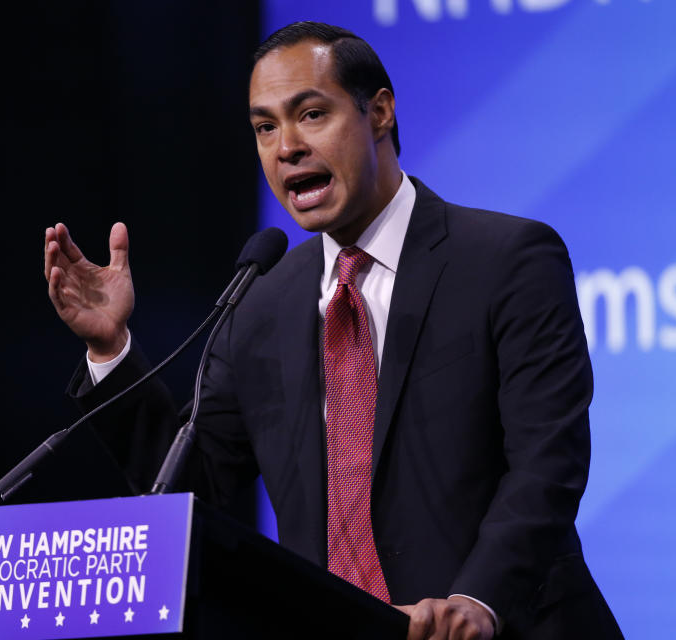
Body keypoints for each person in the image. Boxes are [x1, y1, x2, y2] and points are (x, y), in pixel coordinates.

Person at [43, 21, 621, 640]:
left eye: (311, 114)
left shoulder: (506, 259)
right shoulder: (262, 304)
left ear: (379, 111)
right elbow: (193, 489)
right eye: (265, 128)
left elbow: (546, 462)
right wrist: (109, 350)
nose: (285, 146)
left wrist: (476, 599)